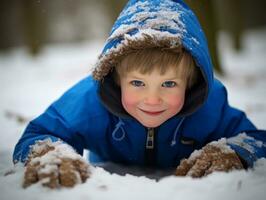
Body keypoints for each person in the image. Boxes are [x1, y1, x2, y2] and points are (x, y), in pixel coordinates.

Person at [13, 0, 266, 188]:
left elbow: (256, 140)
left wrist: (235, 152)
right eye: (137, 83)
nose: (152, 100)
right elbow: (39, 134)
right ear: (117, 79)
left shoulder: (209, 105)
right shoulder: (92, 101)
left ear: (190, 83)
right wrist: (50, 153)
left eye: (168, 84)